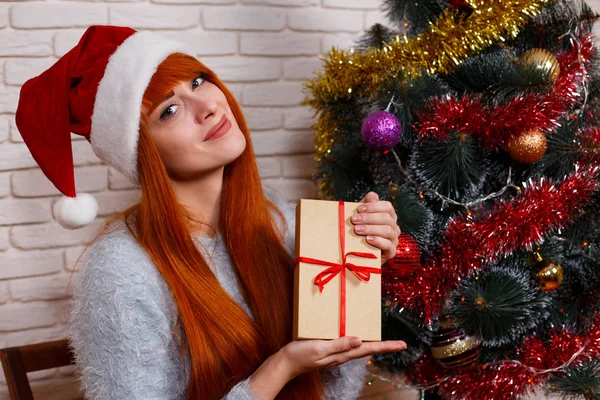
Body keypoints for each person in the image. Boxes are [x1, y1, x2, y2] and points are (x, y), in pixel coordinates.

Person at [15, 25, 406, 399]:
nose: (207, 106)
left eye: (199, 81)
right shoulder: (121, 271)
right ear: (142, 153)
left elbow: (335, 390)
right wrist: (279, 370)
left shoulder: (276, 217)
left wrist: (361, 271)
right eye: (169, 111)